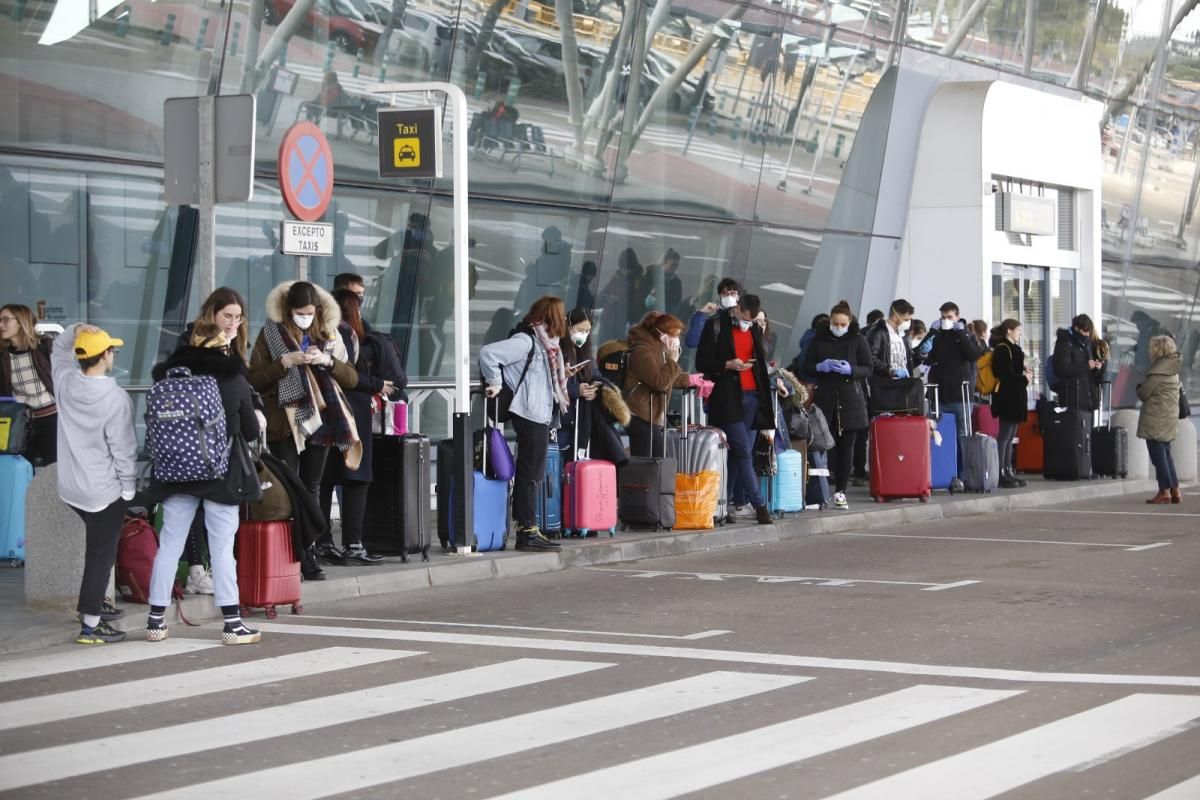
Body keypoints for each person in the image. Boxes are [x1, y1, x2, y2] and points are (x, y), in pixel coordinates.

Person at [144, 326, 263, 645]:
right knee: (223, 548)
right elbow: (251, 431)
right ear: (222, 349)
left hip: (174, 474)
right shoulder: (233, 380)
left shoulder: (167, 379)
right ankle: (233, 624)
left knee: (169, 545)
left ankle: (156, 622)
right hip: (221, 475)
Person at [247, 281, 361, 573]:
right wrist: (284, 362)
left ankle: (308, 553)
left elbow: (351, 378)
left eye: (310, 312)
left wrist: (327, 361)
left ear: (318, 310)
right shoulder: (270, 334)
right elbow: (254, 380)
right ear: (287, 311)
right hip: (284, 421)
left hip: (320, 420)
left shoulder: (328, 333)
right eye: (299, 312)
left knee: (311, 486)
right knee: (288, 486)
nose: (305, 317)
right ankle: (287, 552)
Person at [52, 324, 137, 644]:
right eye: (111, 350)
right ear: (104, 356)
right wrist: (128, 488)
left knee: (98, 550)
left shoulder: (64, 381)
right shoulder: (115, 398)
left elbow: (57, 351)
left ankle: (95, 600)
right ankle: (90, 624)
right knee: (100, 557)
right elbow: (124, 449)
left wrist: (74, 329)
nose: (113, 354)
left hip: (71, 488)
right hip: (103, 491)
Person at [174, 287, 255, 595]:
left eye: (238, 317)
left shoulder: (233, 345)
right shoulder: (194, 342)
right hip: (197, 437)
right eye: (227, 316)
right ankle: (201, 572)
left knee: (211, 517)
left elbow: (243, 385)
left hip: (224, 437)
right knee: (197, 511)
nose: (233, 323)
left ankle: (214, 576)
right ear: (212, 314)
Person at [319, 289, 407, 566]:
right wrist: (376, 385)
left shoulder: (319, 333)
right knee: (357, 477)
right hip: (352, 413)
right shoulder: (353, 337)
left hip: (324, 412)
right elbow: (352, 376)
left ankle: (322, 543)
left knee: (323, 481)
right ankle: (353, 545)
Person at [479, 296, 571, 552]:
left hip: (540, 413)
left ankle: (528, 527)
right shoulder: (526, 340)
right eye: (561, 315)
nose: (564, 320)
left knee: (533, 473)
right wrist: (495, 383)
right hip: (528, 413)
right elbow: (489, 354)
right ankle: (526, 530)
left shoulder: (548, 344)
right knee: (530, 473)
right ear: (552, 317)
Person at [696, 294, 775, 525]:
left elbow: (759, 359)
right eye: (744, 317)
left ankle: (724, 503)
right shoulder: (717, 325)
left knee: (740, 454)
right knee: (741, 450)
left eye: (751, 320)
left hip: (752, 396)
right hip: (727, 397)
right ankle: (760, 505)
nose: (746, 322)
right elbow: (702, 362)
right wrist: (727, 365)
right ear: (737, 308)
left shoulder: (753, 330)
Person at [801, 300, 873, 510]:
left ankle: (841, 491)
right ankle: (819, 491)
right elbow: (806, 365)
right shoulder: (818, 339)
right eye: (836, 323)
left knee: (846, 448)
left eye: (843, 324)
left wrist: (851, 370)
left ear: (849, 322)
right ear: (830, 321)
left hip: (850, 400)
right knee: (822, 446)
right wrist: (820, 367)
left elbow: (868, 367)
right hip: (825, 399)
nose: (839, 327)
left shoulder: (858, 340)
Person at [559, 308, 627, 464]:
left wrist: (595, 389)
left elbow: (595, 376)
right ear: (568, 326)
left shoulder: (585, 352)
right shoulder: (558, 351)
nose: (583, 335)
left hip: (581, 420)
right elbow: (550, 386)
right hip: (563, 419)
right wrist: (577, 390)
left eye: (587, 331)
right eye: (580, 330)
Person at [622, 312, 693, 458]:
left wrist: (691, 380)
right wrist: (673, 360)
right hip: (639, 414)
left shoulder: (659, 350)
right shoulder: (642, 352)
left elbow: (669, 377)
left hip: (651, 414)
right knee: (647, 462)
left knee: (657, 459)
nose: (676, 340)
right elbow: (659, 382)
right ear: (661, 335)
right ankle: (637, 482)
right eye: (673, 336)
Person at [0, 304, 57, 466]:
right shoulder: (3, 355)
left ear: (21, 321)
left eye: (5, 320)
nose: (1, 325)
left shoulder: (45, 346)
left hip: (52, 418)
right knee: (22, 469)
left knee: (54, 470)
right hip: (22, 422)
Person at [919, 302, 983, 435]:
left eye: (949, 317)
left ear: (957, 317)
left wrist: (960, 333)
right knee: (938, 434)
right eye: (943, 317)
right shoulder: (937, 334)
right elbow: (926, 357)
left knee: (963, 434)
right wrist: (931, 333)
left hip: (961, 395)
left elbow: (974, 355)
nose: (945, 321)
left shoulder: (966, 334)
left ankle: (963, 456)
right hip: (939, 395)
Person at [1136, 335, 1183, 504]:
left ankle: (1164, 491)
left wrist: (1139, 386)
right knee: (1166, 454)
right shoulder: (1172, 368)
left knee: (1158, 457)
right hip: (1168, 417)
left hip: (1156, 418)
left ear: (1157, 349)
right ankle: (1175, 489)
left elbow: (1144, 393)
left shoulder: (1158, 371)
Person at [988, 319, 1032, 489]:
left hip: (1015, 397)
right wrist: (1023, 378)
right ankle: (1000, 473)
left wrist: (1023, 373)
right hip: (1007, 398)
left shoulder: (1013, 349)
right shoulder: (1003, 349)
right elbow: (1004, 374)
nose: (1020, 333)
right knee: (1004, 437)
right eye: (1018, 330)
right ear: (1009, 331)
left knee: (1010, 436)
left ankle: (1008, 470)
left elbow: (1012, 371)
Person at [1051, 313, 1104, 415]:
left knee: (1088, 429)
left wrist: (1097, 367)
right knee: (1076, 428)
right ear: (1076, 328)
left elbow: (1091, 373)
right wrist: (1086, 366)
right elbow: (1062, 369)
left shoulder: (1087, 343)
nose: (1087, 334)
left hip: (1087, 398)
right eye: (1085, 331)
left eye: (1089, 331)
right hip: (1073, 398)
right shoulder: (1064, 343)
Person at [685, 278, 740, 350]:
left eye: (733, 293)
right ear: (719, 296)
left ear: (738, 297)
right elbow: (691, 342)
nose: (729, 297)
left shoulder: (744, 318)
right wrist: (700, 314)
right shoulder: (712, 319)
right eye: (725, 293)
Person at [790, 313, 830, 378]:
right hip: (805, 381)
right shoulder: (812, 340)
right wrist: (809, 381)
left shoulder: (810, 337)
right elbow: (804, 362)